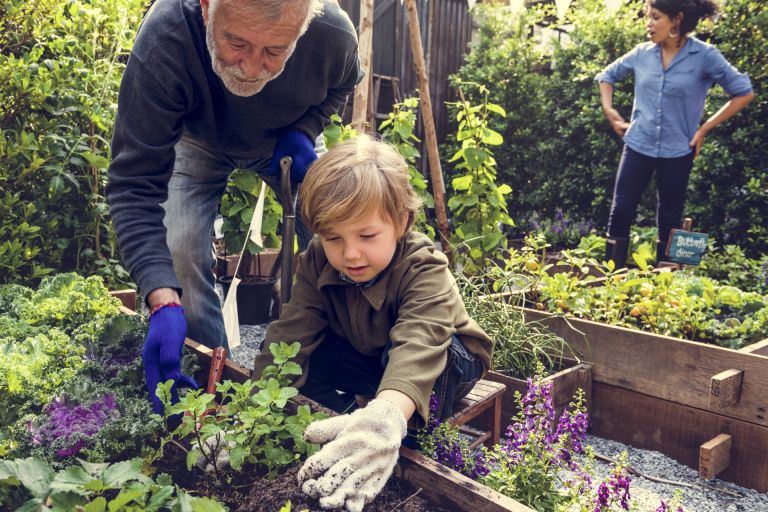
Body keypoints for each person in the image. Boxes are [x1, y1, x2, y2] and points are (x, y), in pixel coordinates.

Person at [105, 0, 362, 413]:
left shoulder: (332, 34)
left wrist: (305, 129)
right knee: (180, 252)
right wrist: (161, 295)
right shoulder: (166, 38)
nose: (251, 66)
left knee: (343, 228)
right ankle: (214, 386)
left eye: (275, 51)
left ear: (302, 28)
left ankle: (342, 368)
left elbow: (341, 85)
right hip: (197, 140)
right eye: (235, 42)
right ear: (207, 7)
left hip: (283, 140)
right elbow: (135, 182)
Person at [252, 135, 493, 511]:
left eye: (367, 235)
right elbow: (292, 331)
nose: (350, 253)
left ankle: (402, 437)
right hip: (370, 353)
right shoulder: (319, 259)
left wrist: (387, 418)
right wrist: (251, 415)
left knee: (431, 357)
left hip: (444, 361)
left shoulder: (423, 266)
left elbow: (419, 342)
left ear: (401, 222)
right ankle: (348, 427)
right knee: (302, 355)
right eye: (333, 237)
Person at [596, 0, 754, 266]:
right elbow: (606, 76)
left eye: (655, 17)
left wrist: (704, 128)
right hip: (638, 144)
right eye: (648, 17)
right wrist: (609, 109)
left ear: (676, 19)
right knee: (621, 210)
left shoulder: (705, 56)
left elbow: (743, 92)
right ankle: (611, 281)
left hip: (678, 150)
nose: (648, 24)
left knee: (670, 218)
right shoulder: (641, 53)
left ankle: (664, 288)